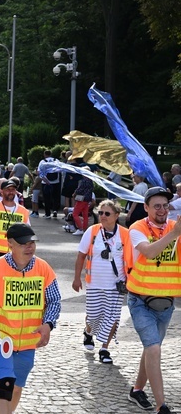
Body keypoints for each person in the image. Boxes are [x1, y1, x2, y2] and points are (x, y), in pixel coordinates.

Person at [0, 223, 61, 414]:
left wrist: (48, 324)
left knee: (17, 387)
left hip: (28, 344)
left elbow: (54, 301)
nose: (29, 247)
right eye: (23, 244)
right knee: (5, 384)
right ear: (10, 244)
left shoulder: (44, 269)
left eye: (32, 243)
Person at [125, 187, 181, 413]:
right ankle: (161, 406)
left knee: (151, 348)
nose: (162, 210)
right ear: (146, 208)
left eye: (166, 205)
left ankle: (137, 390)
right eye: (156, 206)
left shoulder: (173, 227)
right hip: (140, 302)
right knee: (154, 349)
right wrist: (174, 234)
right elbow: (148, 252)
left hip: (166, 304)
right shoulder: (137, 228)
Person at [72, 199, 130, 365]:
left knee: (112, 317)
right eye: (101, 213)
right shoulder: (92, 231)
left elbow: (131, 258)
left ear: (117, 215)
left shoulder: (125, 234)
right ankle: (88, 332)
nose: (102, 216)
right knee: (94, 315)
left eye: (107, 213)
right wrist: (77, 278)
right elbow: (81, 255)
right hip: (94, 283)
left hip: (116, 284)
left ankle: (104, 349)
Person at [0, 179, 30, 264]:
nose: (11, 192)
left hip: (15, 252)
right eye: (8, 189)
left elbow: (27, 233)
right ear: (1, 191)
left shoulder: (23, 211)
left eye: (13, 189)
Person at [37, 150, 61, 219]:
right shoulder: (56, 160)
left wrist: (44, 179)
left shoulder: (42, 161)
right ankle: (55, 210)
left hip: (46, 183)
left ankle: (47, 214)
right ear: (51, 154)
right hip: (56, 182)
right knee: (56, 197)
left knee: (47, 198)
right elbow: (60, 170)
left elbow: (39, 172)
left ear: (45, 154)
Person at [71, 172, 94, 236]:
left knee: (75, 213)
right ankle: (84, 229)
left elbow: (79, 189)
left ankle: (80, 229)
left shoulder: (84, 181)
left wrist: (74, 193)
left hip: (81, 199)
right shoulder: (91, 181)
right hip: (87, 199)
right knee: (85, 215)